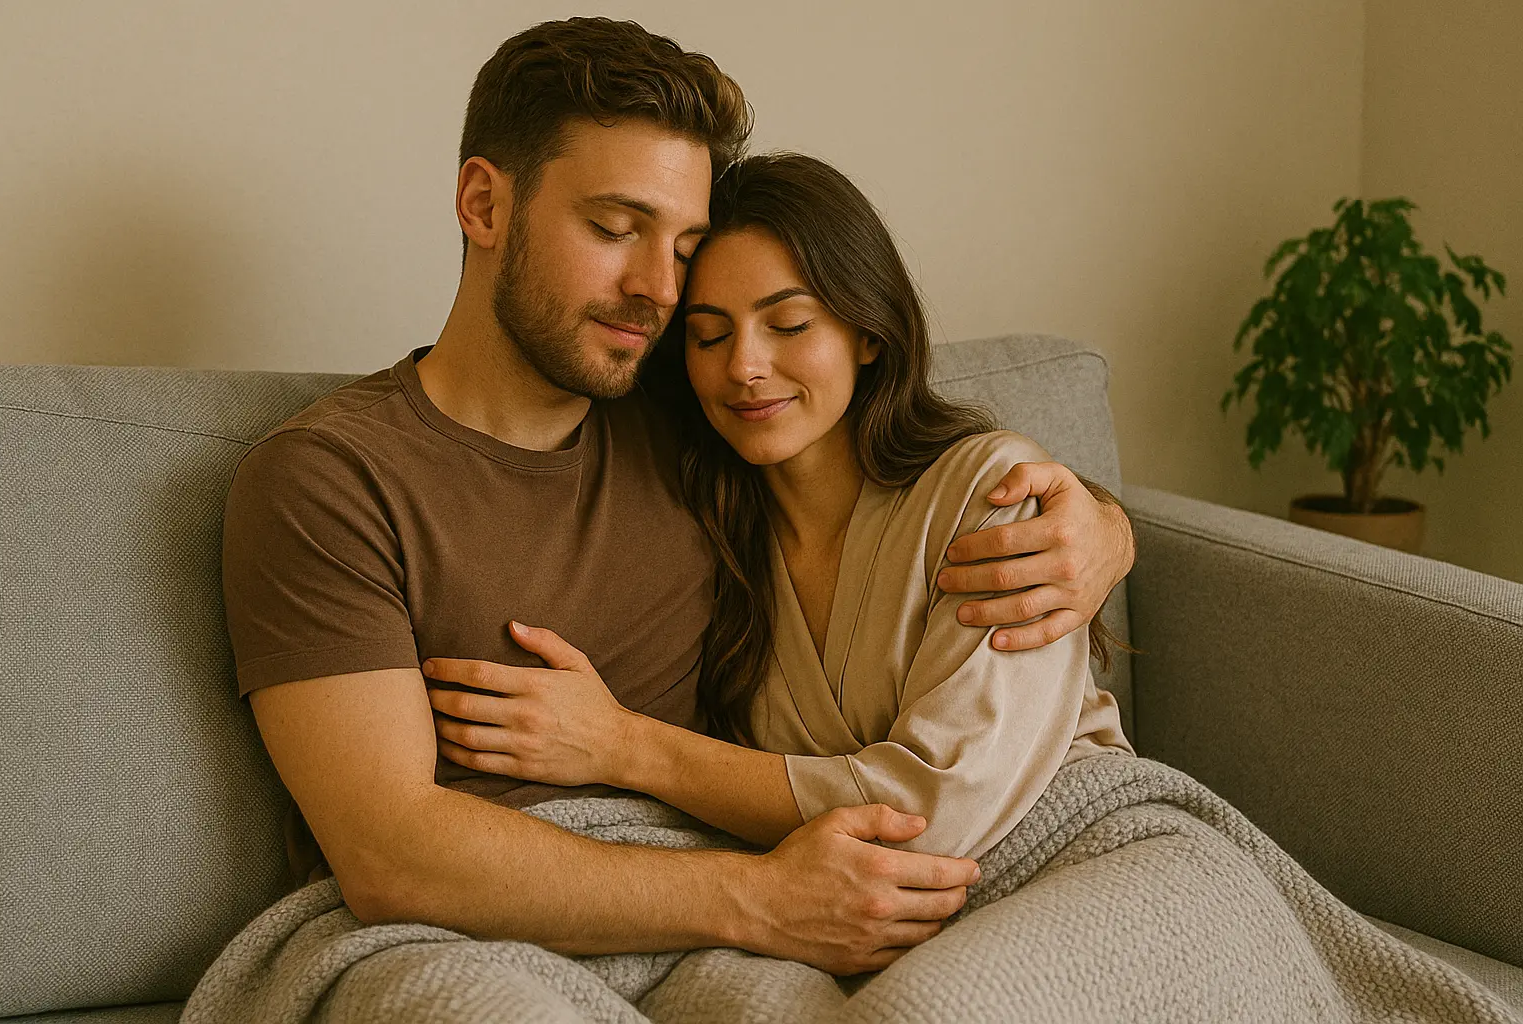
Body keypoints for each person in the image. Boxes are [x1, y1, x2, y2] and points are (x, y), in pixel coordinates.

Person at [221, 17, 1135, 977]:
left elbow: (888, 463)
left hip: (747, 916)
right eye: (615, 229)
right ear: (485, 205)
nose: (657, 290)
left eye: (683, 246)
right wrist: (760, 901)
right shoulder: (328, 480)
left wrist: (1104, 530)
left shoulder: (691, 417)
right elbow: (389, 854)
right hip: (507, 934)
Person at [424, 151, 1135, 868]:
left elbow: (933, 812)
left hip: (1086, 843)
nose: (744, 367)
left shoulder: (995, 495)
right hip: (870, 899)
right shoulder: (710, 532)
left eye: (789, 325)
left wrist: (622, 746)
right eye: (709, 335)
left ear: (867, 331)